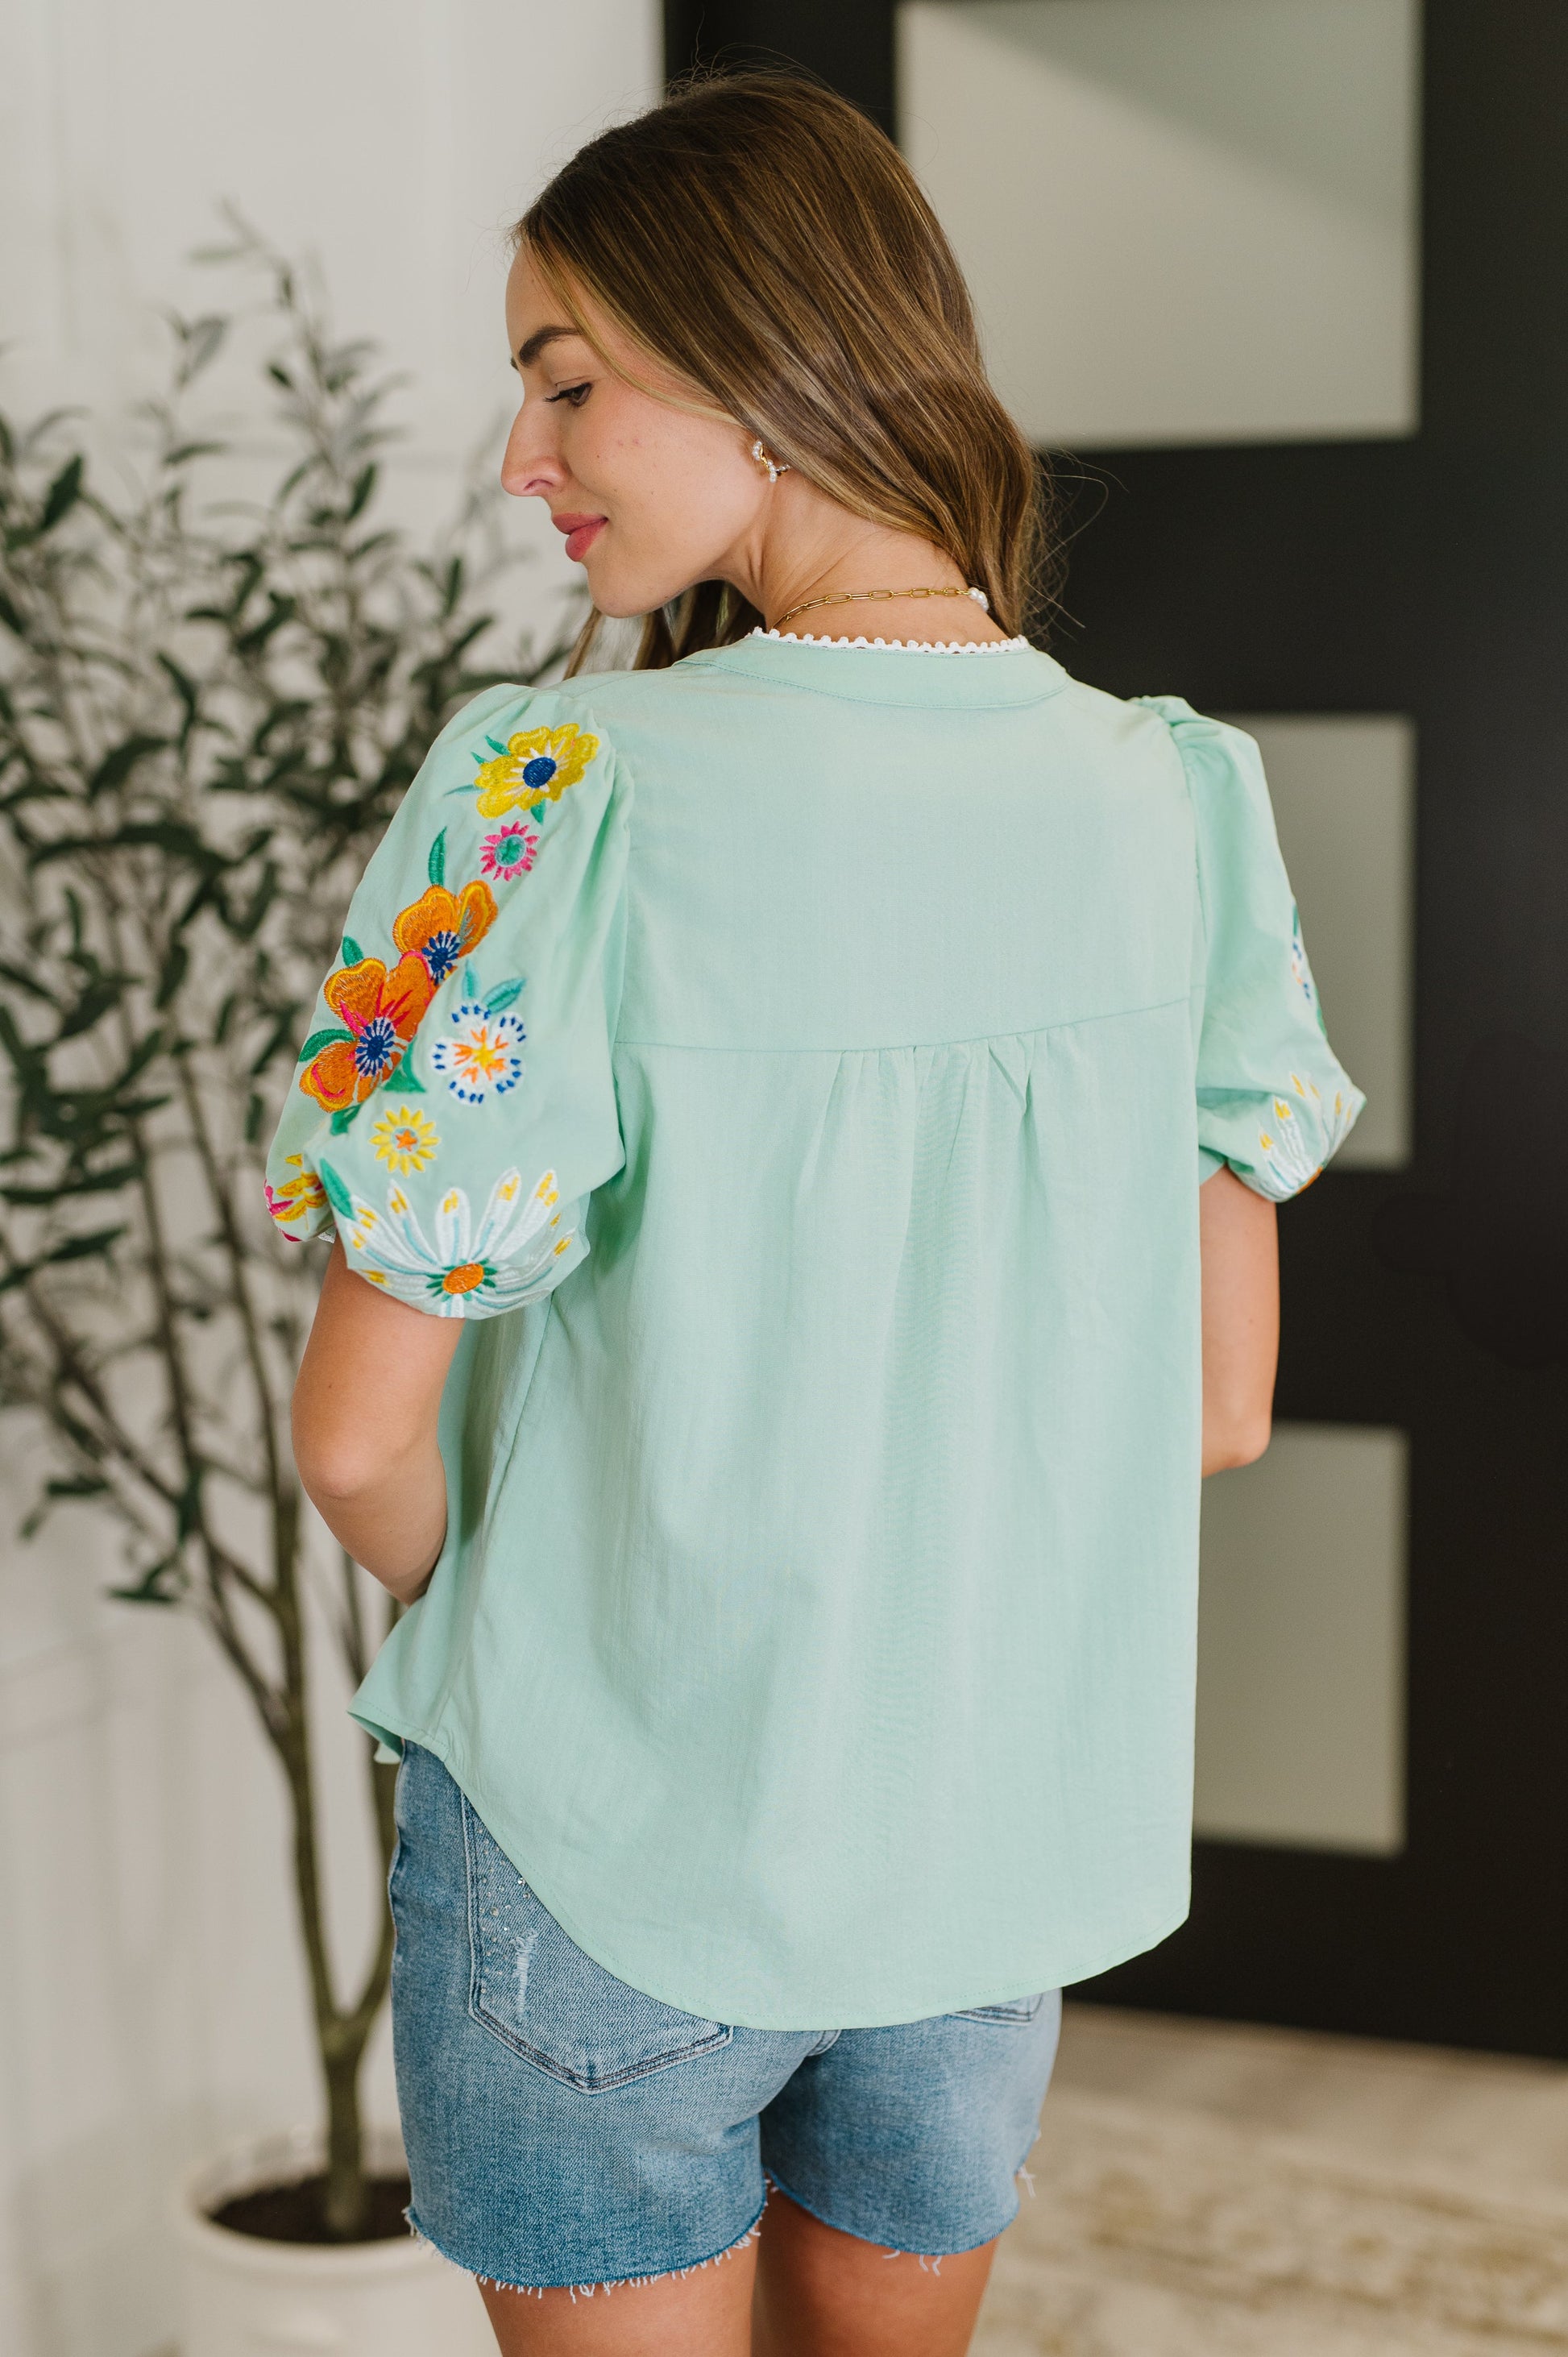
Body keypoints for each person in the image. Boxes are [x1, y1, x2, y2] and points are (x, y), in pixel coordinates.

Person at [271, 72, 1361, 2357]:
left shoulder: (554, 790)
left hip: (603, 1854)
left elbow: (357, 1442)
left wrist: (545, 1638)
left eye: (567, 381)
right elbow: (1218, 1408)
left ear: (762, 357)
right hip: (985, 1846)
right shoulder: (1176, 795)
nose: (522, 458)